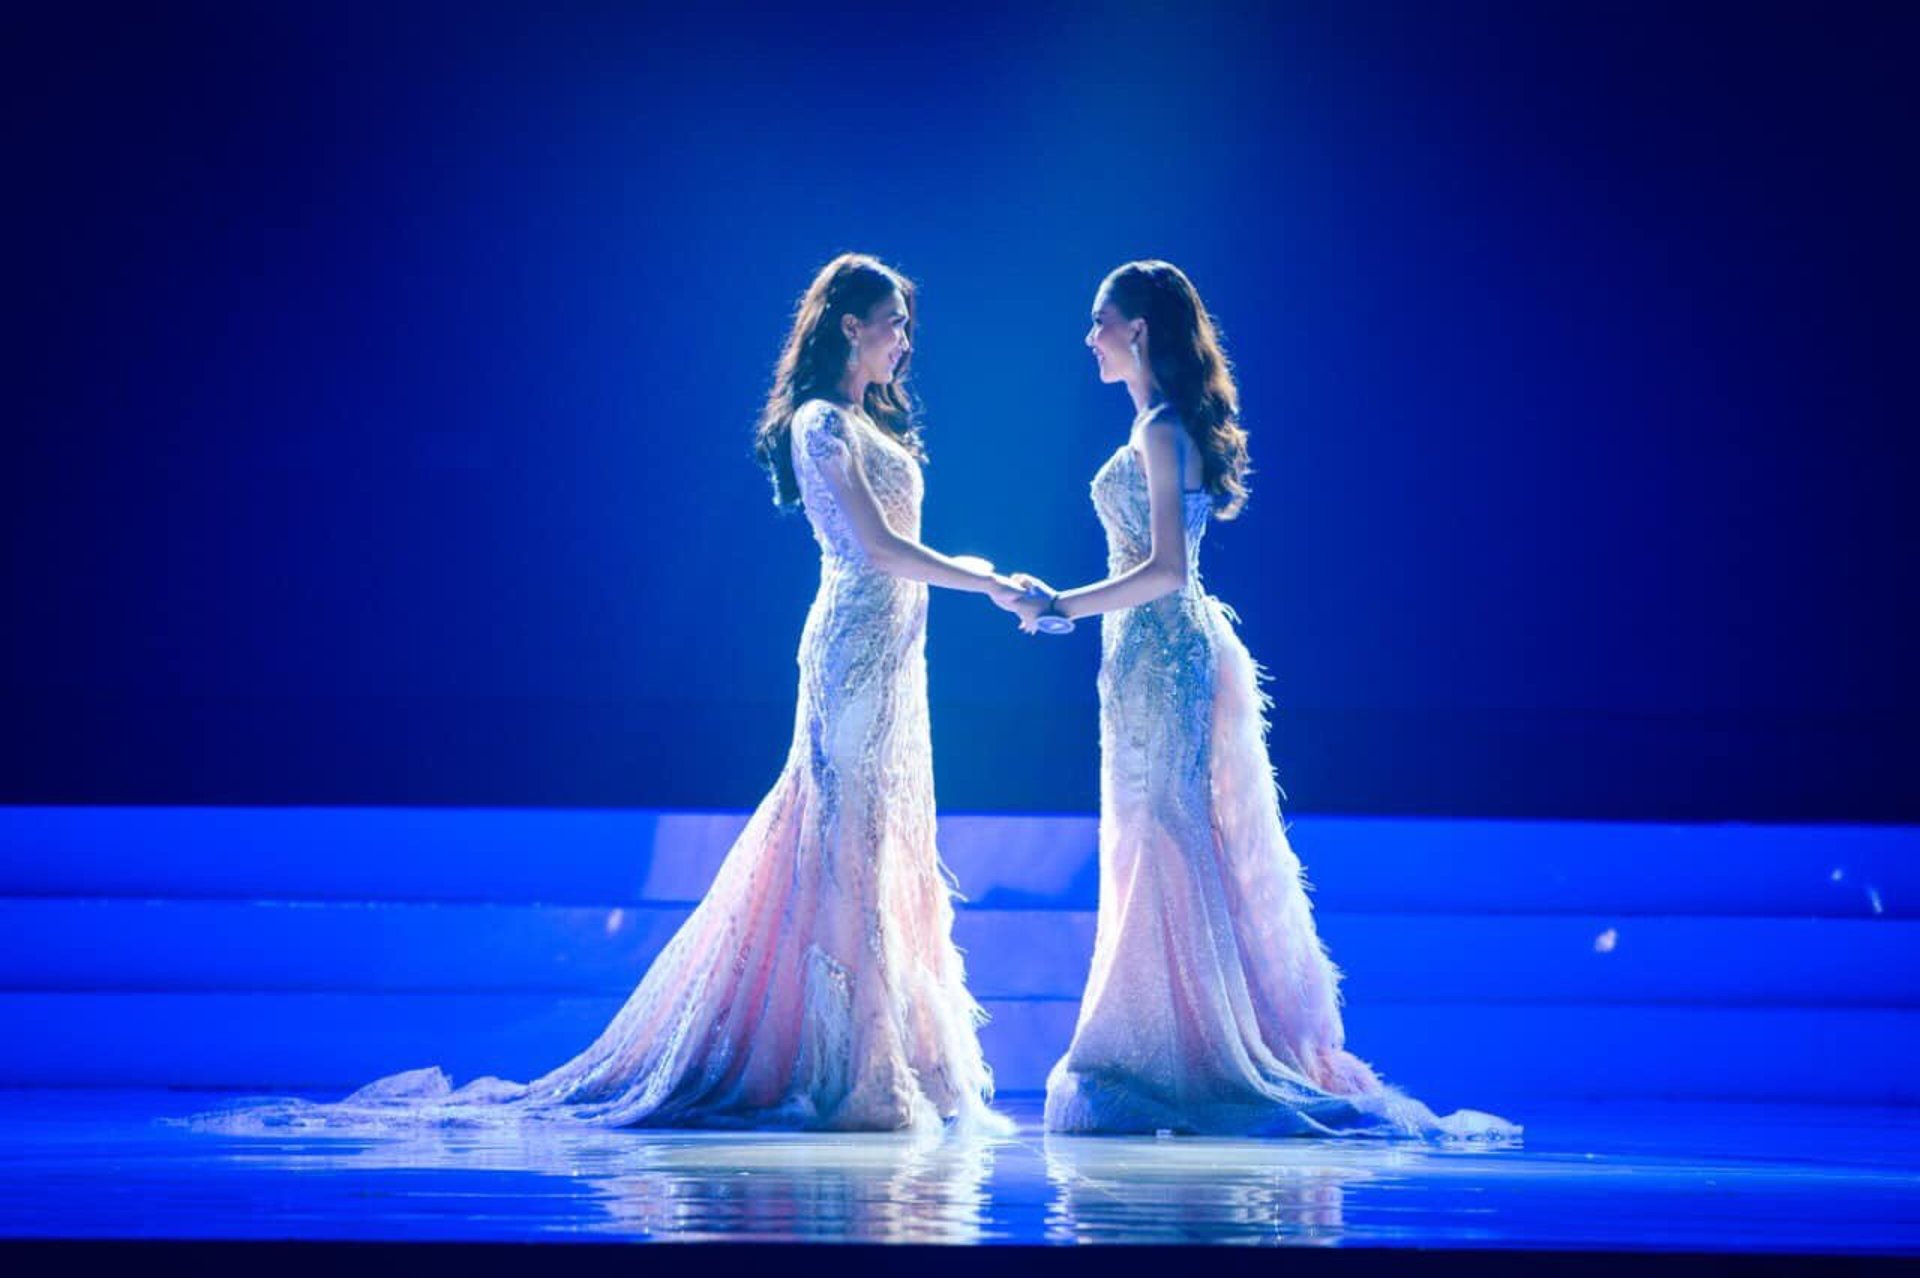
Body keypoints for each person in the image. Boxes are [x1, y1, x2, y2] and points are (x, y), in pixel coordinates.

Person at [1012, 261, 1517, 1140]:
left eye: (1100, 322)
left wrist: (1063, 601)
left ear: (1137, 330)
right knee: (1152, 836)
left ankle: (1182, 1047)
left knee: (1168, 837)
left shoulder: (1161, 431)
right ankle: (1166, 1037)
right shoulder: (1155, 426)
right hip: (1143, 654)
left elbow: (1167, 569)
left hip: (1163, 651)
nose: (1089, 339)